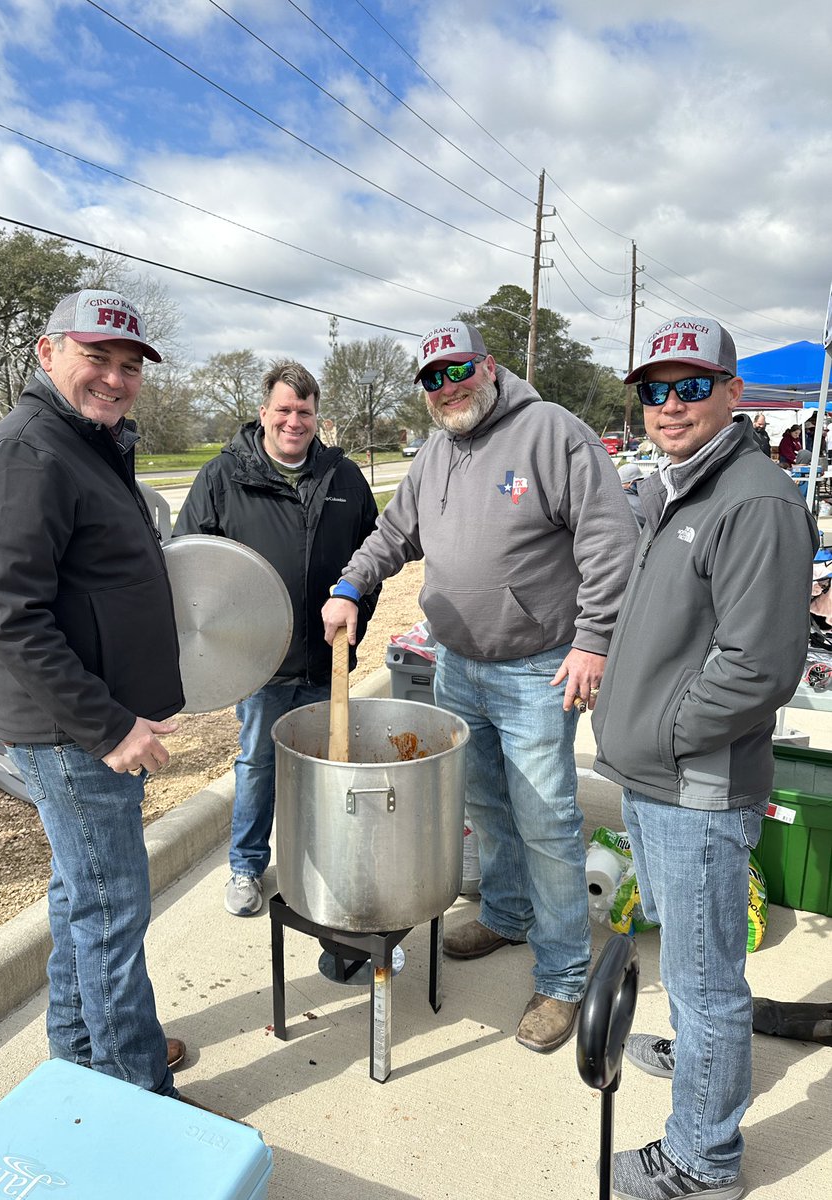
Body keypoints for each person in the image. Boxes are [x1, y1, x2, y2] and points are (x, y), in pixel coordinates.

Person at [322, 321, 638, 1053]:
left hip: (536, 666)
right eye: (431, 378)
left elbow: (609, 543)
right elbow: (394, 534)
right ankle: (506, 913)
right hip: (458, 662)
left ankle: (562, 976)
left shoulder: (554, 434)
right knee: (486, 801)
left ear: (488, 366)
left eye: (458, 370)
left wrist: (594, 640)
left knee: (546, 819)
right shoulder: (435, 451)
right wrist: (348, 584)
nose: (447, 387)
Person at [591, 316, 817, 1200]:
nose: (671, 404)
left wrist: (663, 731)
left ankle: (703, 1157)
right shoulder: (680, 486)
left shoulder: (754, 499)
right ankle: (701, 1063)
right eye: (655, 388)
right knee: (692, 960)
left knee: (707, 974)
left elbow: (759, 664)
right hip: (655, 775)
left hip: (695, 783)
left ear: (732, 392)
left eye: (692, 385)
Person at [0, 290, 189, 1098]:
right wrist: (110, 726)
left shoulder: (87, 443)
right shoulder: (28, 451)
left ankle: (83, 1052)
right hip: (74, 733)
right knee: (111, 914)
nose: (115, 378)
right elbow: (12, 619)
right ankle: (136, 1093)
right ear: (46, 351)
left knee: (79, 898)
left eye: (129, 366)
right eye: (97, 358)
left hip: (88, 727)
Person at [174, 361, 379, 917]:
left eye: (305, 412)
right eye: (284, 410)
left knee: (321, 763)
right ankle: (245, 866)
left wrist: (355, 618)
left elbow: (372, 556)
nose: (294, 421)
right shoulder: (223, 476)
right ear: (263, 412)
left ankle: (316, 861)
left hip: (326, 656)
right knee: (259, 763)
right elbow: (192, 566)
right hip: (258, 664)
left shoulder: (343, 478)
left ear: (318, 418)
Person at [617, 461, 646, 527]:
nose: (643, 482)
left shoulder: (616, 497)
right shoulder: (635, 502)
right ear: (632, 483)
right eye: (640, 479)